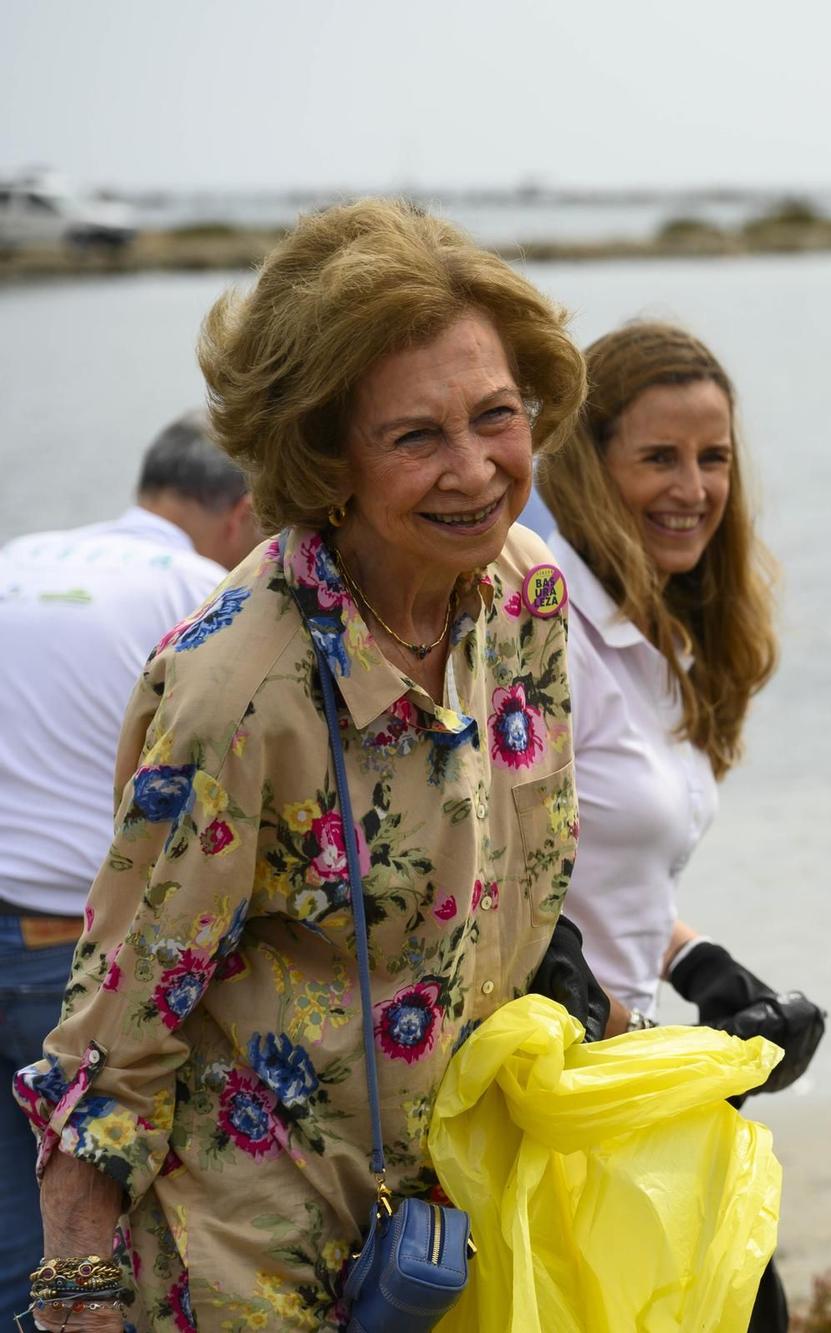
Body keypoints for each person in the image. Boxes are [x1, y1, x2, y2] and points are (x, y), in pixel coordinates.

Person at [10, 197, 586, 1330]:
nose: (475, 469)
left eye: (497, 415)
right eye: (416, 436)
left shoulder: (522, 594)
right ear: (323, 455)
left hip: (445, 1231)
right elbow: (112, 1032)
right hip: (242, 1268)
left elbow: (522, 889)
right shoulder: (239, 688)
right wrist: (76, 1297)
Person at [537, 319, 824, 1330]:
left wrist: (705, 967)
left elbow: (608, 872)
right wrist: (602, 1017)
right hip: (554, 1091)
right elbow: (492, 867)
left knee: (747, 1300)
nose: (691, 487)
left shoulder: (657, 628)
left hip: (631, 1064)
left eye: (713, 458)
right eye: (656, 456)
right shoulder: (546, 627)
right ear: (584, 458)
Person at [0, 413, 256, 1314]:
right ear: (246, 512)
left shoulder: (23, 553)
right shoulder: (202, 590)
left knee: (10, 1244)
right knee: (88, 1244)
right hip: (63, 954)